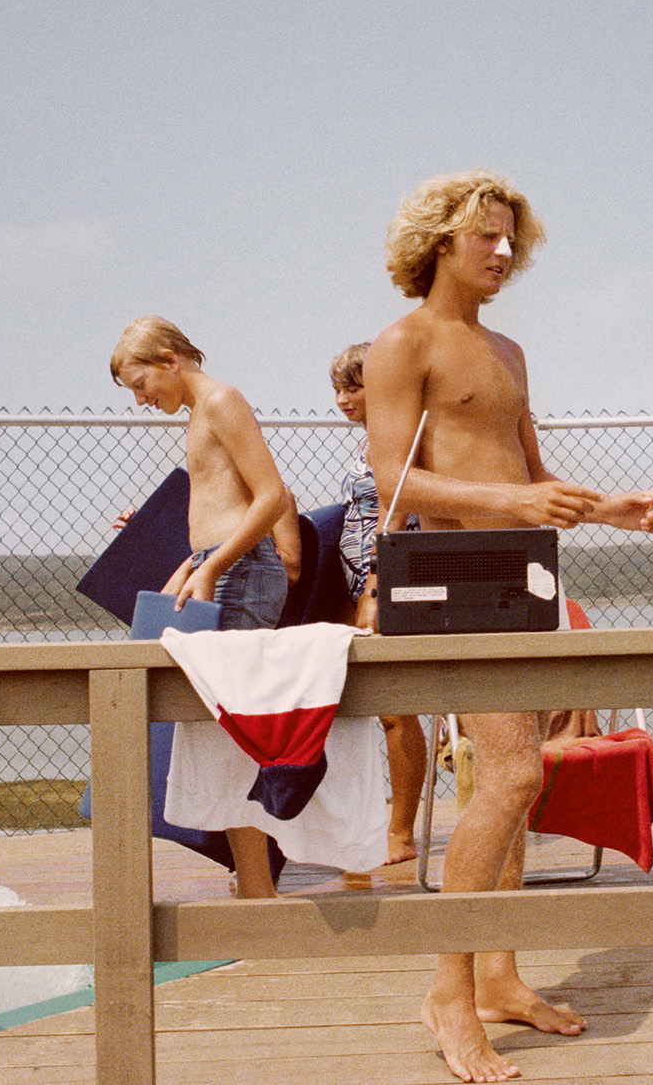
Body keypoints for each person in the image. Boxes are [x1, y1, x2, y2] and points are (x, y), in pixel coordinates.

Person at [363, 169, 653, 1084]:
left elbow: (532, 469)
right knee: (510, 770)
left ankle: (496, 973)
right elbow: (394, 484)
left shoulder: (510, 352)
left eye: (509, 239)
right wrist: (516, 497)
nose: (502, 252)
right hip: (453, 581)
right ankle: (448, 993)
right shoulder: (400, 343)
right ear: (438, 243)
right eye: (484, 237)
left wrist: (609, 507)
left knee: (514, 787)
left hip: (526, 574)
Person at [110, 314, 291, 899]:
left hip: (239, 574)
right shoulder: (199, 415)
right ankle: (255, 884)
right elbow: (219, 501)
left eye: (141, 385)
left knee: (228, 735)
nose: (141, 401)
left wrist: (213, 564)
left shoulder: (222, 401)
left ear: (169, 358)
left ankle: (260, 890)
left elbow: (272, 497)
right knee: (218, 737)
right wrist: (191, 561)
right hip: (218, 568)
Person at [329, 340, 428, 865]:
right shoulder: (372, 441)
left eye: (355, 386)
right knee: (363, 711)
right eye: (338, 389)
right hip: (354, 583)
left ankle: (402, 833)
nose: (344, 399)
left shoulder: (402, 442)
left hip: (385, 582)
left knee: (395, 712)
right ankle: (370, 822)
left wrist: (373, 589)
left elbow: (399, 520)